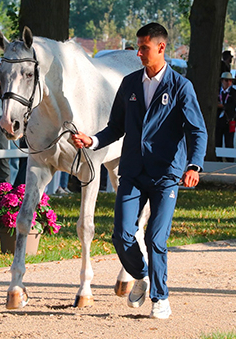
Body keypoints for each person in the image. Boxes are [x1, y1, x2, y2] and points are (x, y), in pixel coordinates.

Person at [71, 23, 207, 319]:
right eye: (138, 47)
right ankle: (142, 275)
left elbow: (198, 131)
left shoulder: (181, 87)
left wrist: (194, 165)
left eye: (144, 48)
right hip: (131, 171)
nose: (139, 53)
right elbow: (115, 127)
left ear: (161, 48)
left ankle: (161, 298)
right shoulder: (130, 83)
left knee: (156, 239)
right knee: (121, 235)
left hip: (166, 175)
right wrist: (92, 140)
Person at [216, 72, 236, 156]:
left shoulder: (233, 92)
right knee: (218, 141)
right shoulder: (217, 91)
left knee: (229, 141)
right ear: (222, 81)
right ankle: (218, 158)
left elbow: (233, 105)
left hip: (229, 119)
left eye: (230, 80)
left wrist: (222, 106)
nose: (228, 82)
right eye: (226, 80)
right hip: (219, 120)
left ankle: (230, 159)